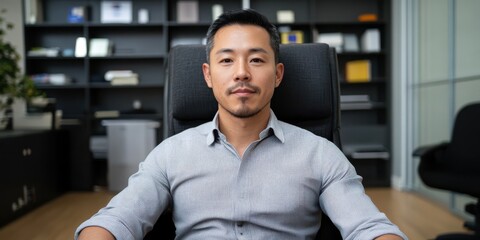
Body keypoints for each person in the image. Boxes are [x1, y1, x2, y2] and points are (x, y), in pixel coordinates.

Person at [76, 9, 407, 240]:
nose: (241, 73)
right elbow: (119, 219)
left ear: (277, 74)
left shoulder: (321, 154)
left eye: (257, 59)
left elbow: (368, 227)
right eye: (226, 60)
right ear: (208, 75)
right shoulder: (170, 154)